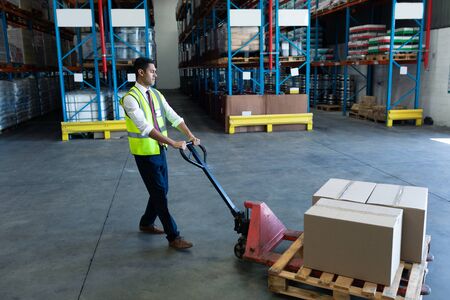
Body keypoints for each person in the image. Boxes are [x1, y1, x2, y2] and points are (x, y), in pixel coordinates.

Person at [120, 57, 200, 250]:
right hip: (145, 154)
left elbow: (172, 115)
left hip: (159, 150)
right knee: (160, 195)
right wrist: (173, 142)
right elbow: (145, 128)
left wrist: (190, 135)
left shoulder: (155, 94)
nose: (155, 74)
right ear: (141, 72)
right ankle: (174, 236)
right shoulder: (130, 98)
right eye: (152, 71)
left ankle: (146, 223)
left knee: (161, 191)